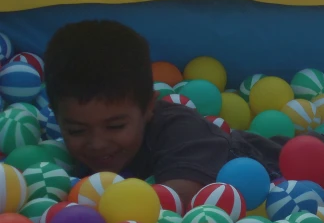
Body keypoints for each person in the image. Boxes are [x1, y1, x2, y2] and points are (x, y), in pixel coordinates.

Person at [44, 19, 303, 206]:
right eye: (77, 130)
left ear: (148, 108)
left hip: (288, 169)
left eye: (115, 127)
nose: (97, 143)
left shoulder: (181, 130)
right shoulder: (65, 160)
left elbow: (176, 200)